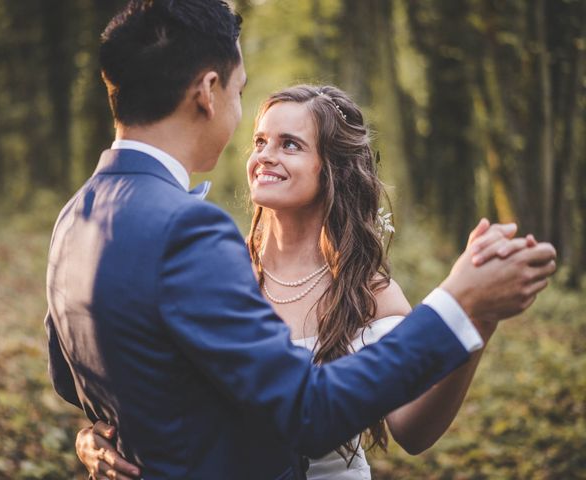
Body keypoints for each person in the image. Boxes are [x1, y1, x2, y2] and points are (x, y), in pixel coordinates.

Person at [44, 1, 557, 479]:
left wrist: (111, 430)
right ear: (207, 91)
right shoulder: (193, 237)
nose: (263, 151)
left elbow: (77, 376)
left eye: (289, 144)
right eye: (240, 93)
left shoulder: (75, 216)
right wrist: (458, 303)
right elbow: (307, 411)